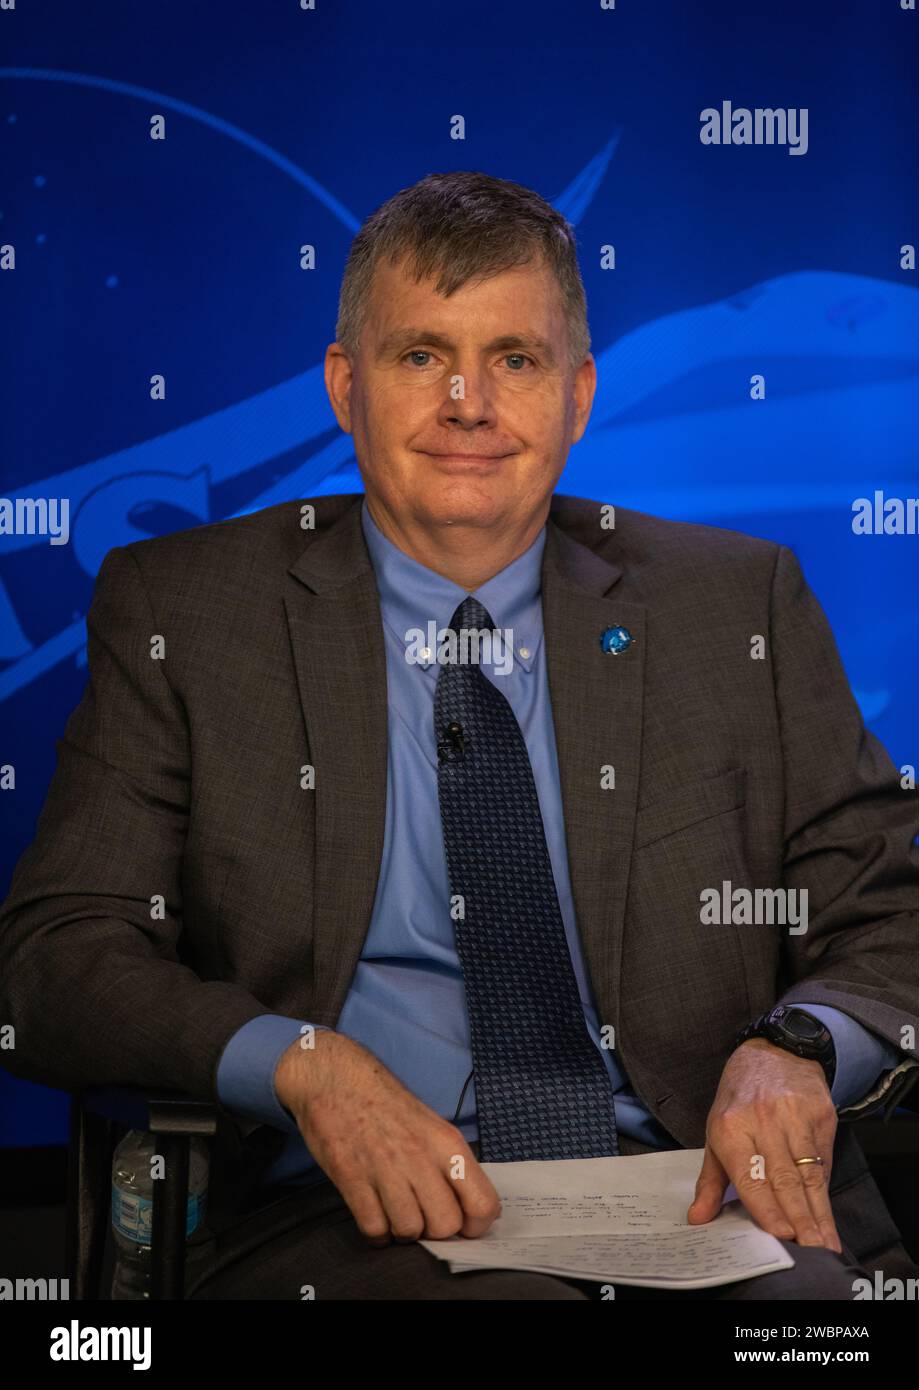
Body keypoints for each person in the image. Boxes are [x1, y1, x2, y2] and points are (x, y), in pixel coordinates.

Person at [2, 171, 918, 1302]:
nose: (468, 403)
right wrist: (303, 1064)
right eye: (420, 355)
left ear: (578, 396)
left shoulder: (735, 604)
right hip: (348, 1220)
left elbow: (892, 914)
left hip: (703, 1201)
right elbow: (57, 959)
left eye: (515, 361)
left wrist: (802, 1046)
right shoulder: (183, 613)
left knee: (815, 1330)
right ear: (345, 387)